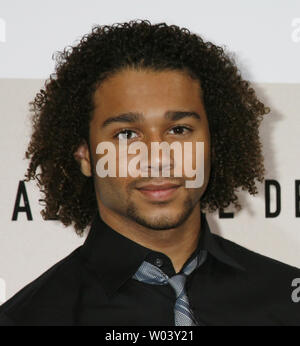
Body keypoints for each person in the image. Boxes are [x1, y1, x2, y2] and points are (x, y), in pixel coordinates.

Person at [0, 19, 299, 326]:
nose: (158, 158)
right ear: (85, 155)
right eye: (127, 135)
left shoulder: (288, 301)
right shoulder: (28, 319)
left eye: (179, 129)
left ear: (213, 142)